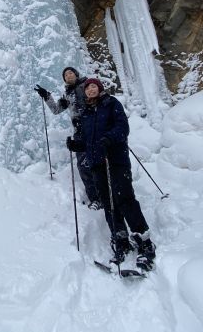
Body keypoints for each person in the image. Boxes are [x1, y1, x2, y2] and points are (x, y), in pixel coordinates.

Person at [67, 78, 156, 271]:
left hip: (115, 159)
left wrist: (109, 138)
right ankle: (120, 238)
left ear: (99, 89)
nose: (90, 90)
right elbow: (88, 141)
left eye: (93, 87)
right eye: (87, 88)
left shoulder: (111, 104)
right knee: (108, 202)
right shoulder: (87, 113)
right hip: (97, 163)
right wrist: (76, 145)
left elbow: (123, 128)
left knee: (124, 198)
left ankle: (144, 241)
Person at [35, 67, 102, 209]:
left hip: (94, 129)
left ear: (76, 74)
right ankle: (95, 198)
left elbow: (98, 101)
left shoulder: (87, 85)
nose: (68, 75)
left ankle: (107, 194)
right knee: (83, 166)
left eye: (71, 72)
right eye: (65, 74)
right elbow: (56, 110)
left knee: (99, 162)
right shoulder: (68, 94)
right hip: (79, 133)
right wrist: (47, 96)